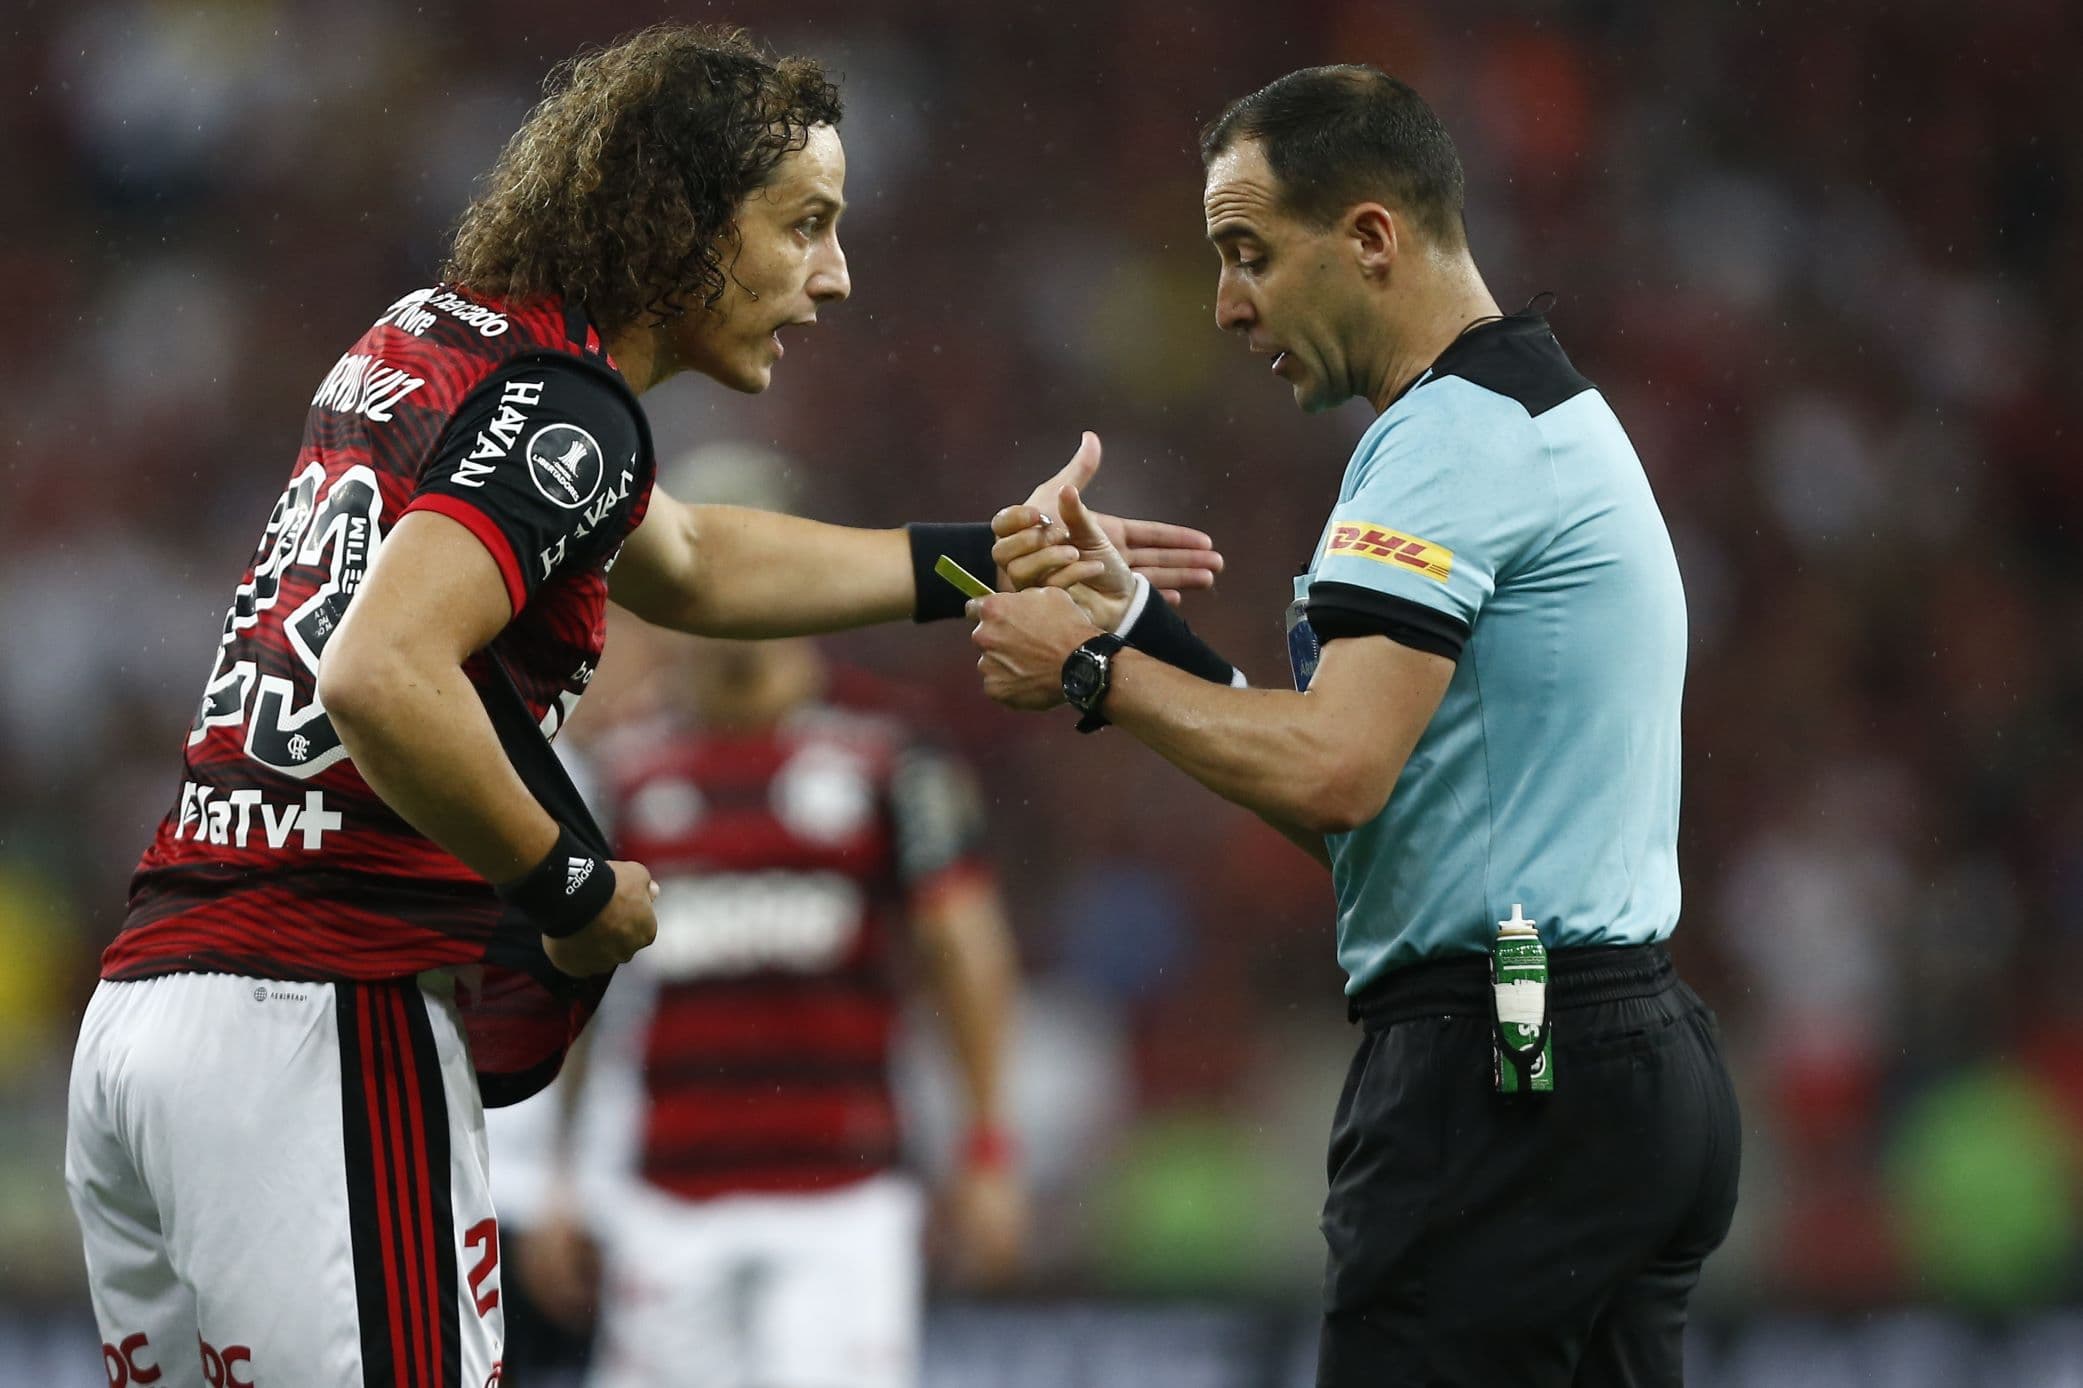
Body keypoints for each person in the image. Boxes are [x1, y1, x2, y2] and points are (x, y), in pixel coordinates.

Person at [63, 25, 1217, 1388]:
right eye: (802, 226)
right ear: (681, 217)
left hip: (150, 1009)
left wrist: (981, 553)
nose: (832, 277)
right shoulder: (572, 415)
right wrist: (571, 887)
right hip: (319, 1014)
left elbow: (689, 560)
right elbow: (379, 672)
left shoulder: (435, 342)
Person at [967, 65, 1741, 1387]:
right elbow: (1375, 793)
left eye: (1247, 253)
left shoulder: (1446, 442)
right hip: (1611, 1056)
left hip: (1498, 1079)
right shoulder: (1526, 416)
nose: (1225, 305)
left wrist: (1093, 669)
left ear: (1370, 237)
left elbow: (1333, 770)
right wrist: (1136, 622)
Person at [492, 446, 1028, 1388]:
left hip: (842, 1204)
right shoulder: (623, 772)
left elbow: (964, 949)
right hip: (665, 1206)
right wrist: (565, 1176)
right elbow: (577, 981)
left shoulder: (891, 756)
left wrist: (985, 1147)